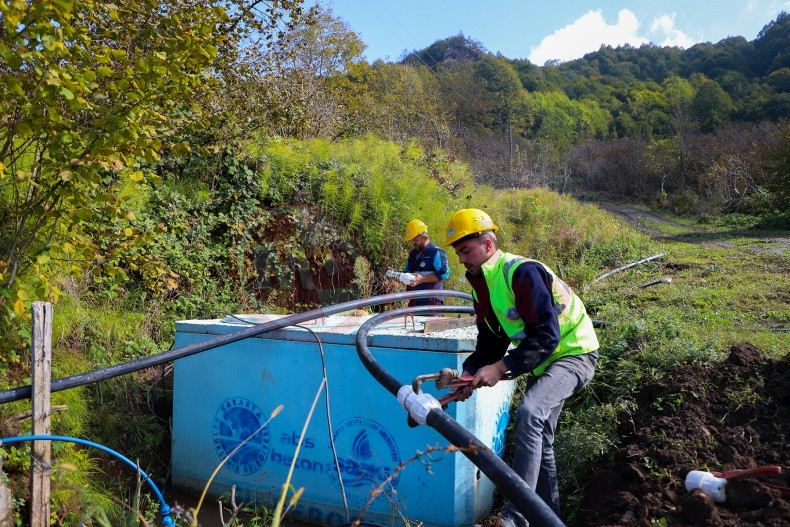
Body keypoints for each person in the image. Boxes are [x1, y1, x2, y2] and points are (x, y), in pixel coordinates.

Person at [443, 208, 599, 527]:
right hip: (544, 361)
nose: (461, 259)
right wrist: (470, 374)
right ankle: (550, 518)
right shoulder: (480, 285)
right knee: (540, 436)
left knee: (529, 414)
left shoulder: (521, 272)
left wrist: (502, 368)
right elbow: (491, 340)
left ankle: (517, 516)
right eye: (458, 253)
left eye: (466, 250)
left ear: (487, 245)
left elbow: (547, 335)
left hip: (573, 352)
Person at [392, 219, 450, 307]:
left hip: (432, 300)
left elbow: (444, 274)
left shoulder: (436, 252)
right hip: (415, 299)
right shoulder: (413, 254)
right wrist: (397, 275)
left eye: (415, 239)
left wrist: (422, 279)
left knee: (431, 321)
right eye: (411, 240)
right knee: (411, 320)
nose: (413, 242)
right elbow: (406, 271)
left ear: (424, 236)